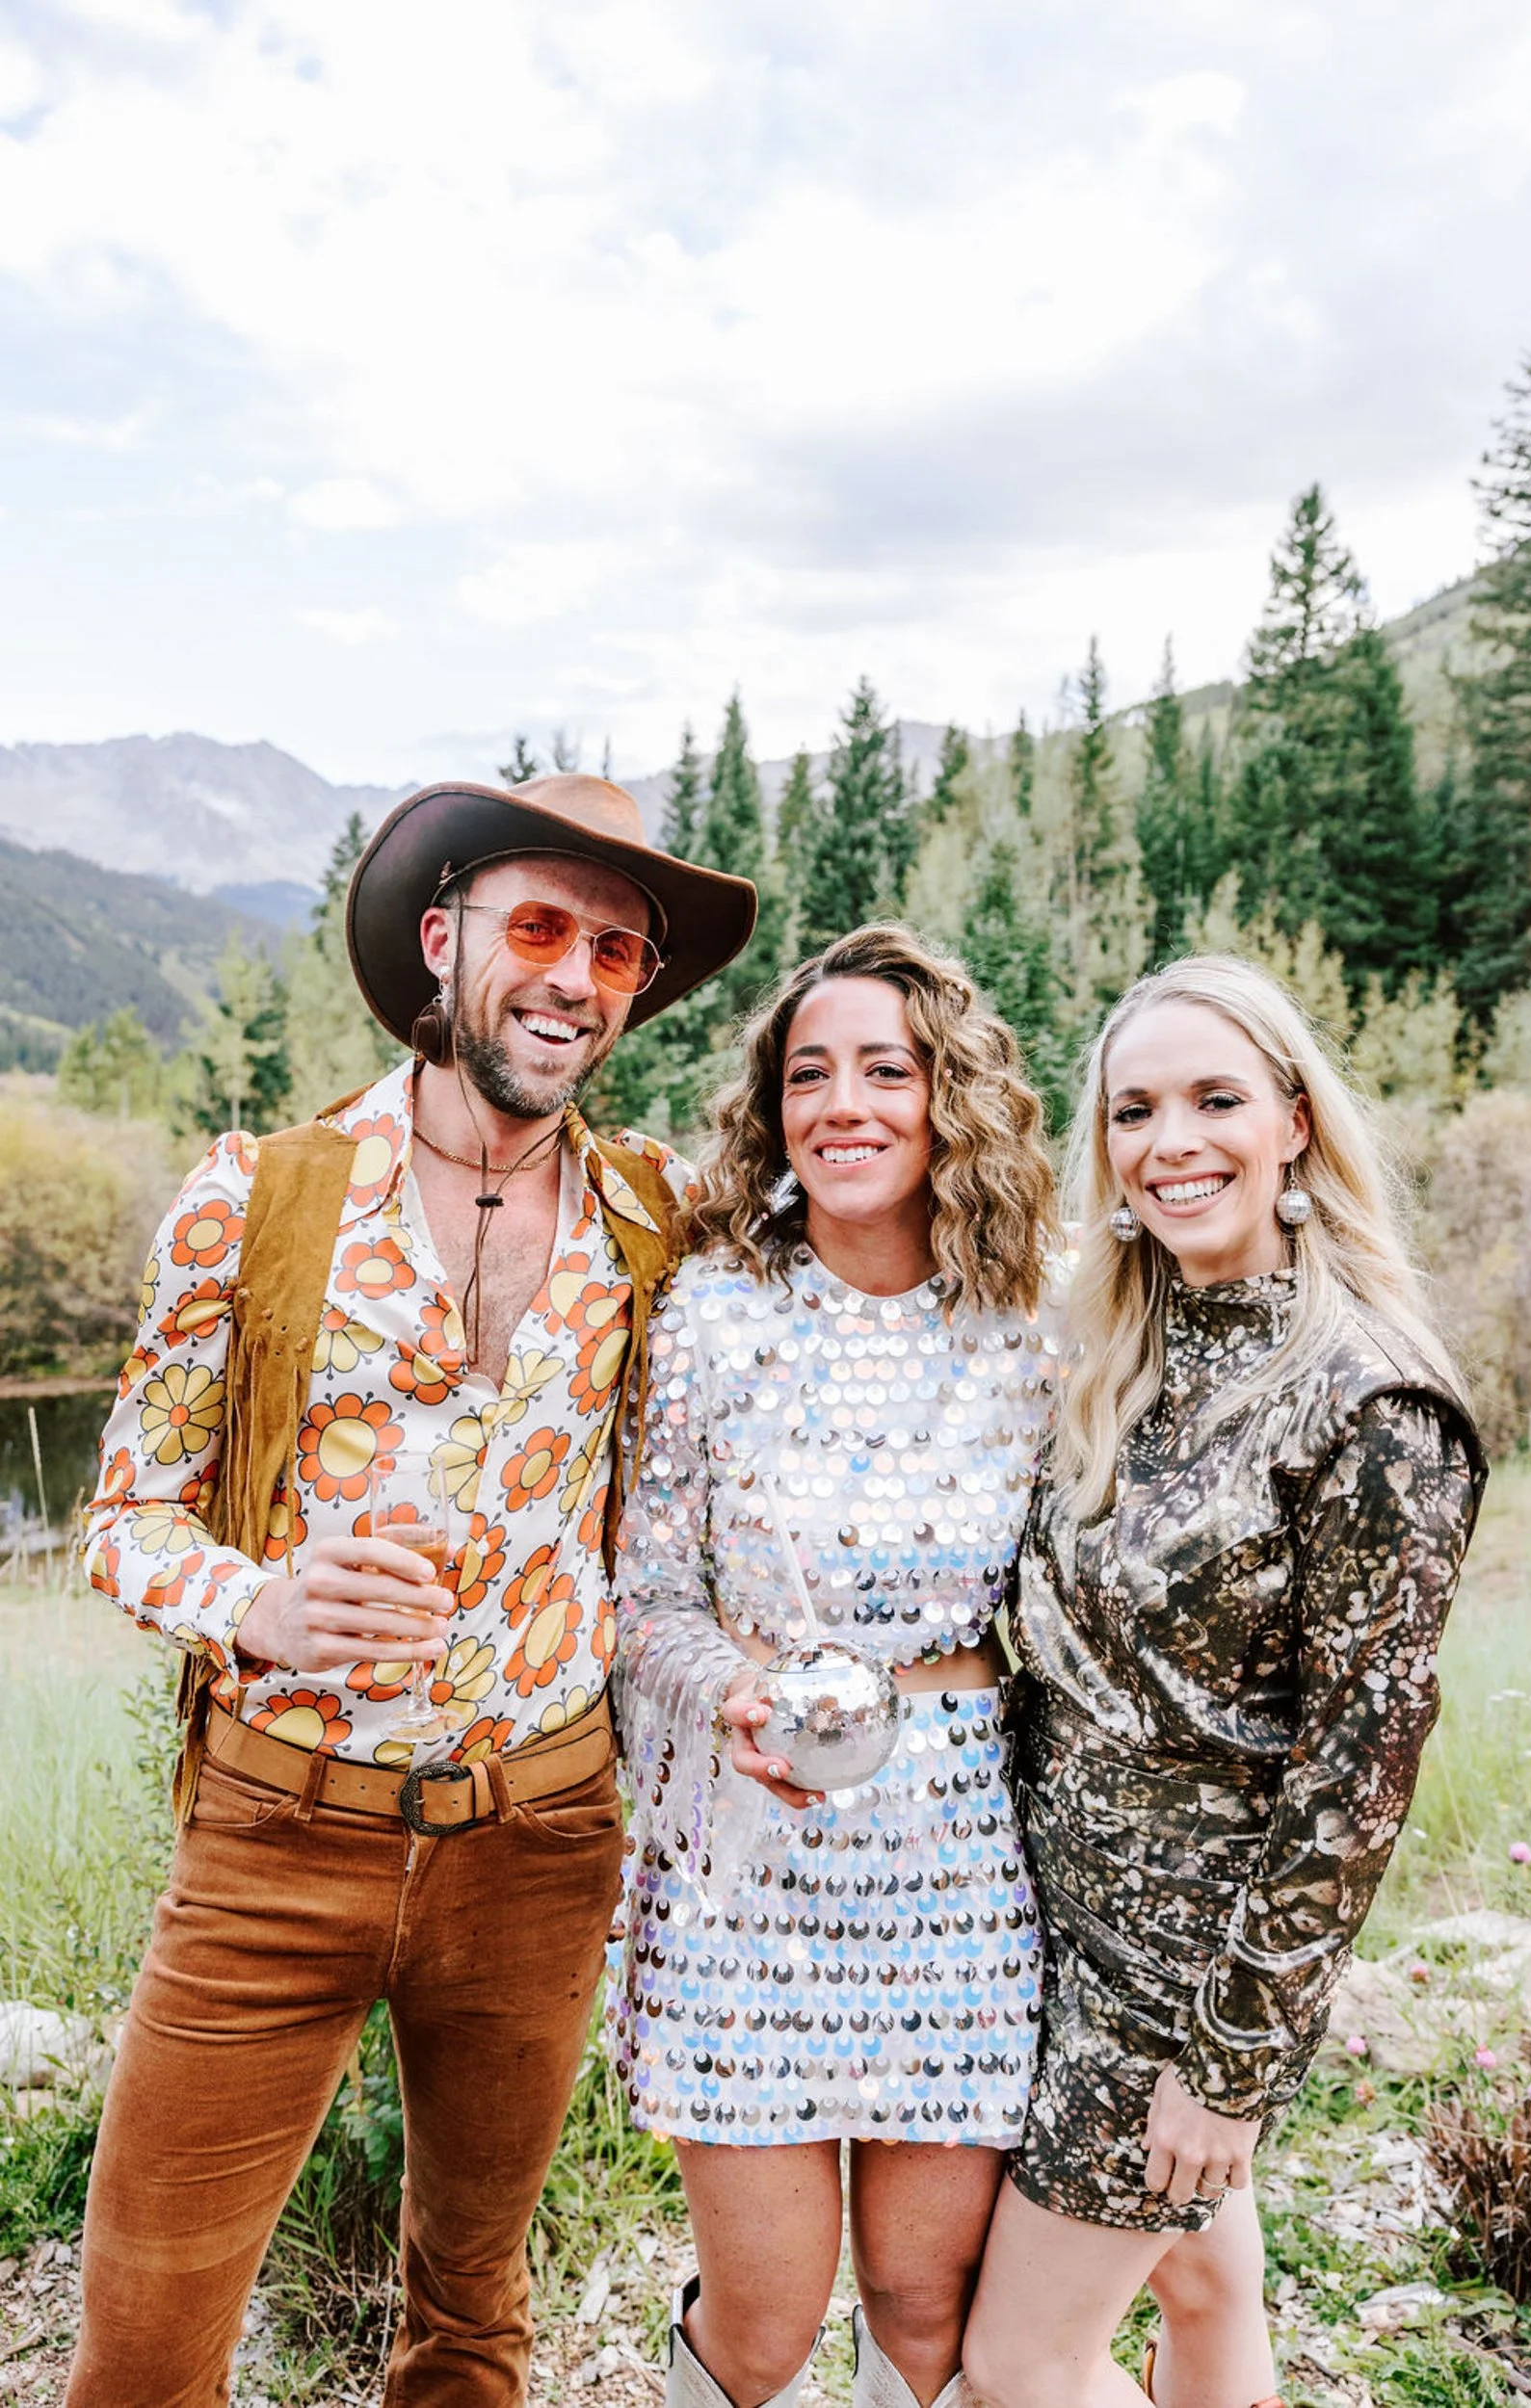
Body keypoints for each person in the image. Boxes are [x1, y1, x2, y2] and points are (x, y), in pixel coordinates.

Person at [66, 774, 755, 2408]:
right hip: (275, 1841)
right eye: (538, 926)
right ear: (441, 940)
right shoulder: (259, 1195)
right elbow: (125, 1519)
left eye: (616, 949)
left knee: (470, 2323)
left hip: (540, 1840)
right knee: (147, 2348)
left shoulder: (661, 1215)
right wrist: (259, 1607)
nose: (575, 978)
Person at [962, 954, 1486, 2408]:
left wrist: (1231, 2055)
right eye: (1136, 1110)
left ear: (1296, 1121)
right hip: (1056, 1922)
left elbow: (1356, 1778)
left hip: (1190, 1975)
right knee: (1200, 2281)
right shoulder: (1126, 1349)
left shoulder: (1375, 1405)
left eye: (1215, 1100)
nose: (1170, 1143)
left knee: (1017, 2360)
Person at [608, 925, 1067, 2408]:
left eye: (888, 1068)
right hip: (751, 1865)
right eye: (811, 1074)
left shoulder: (1039, 1321)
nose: (845, 1104)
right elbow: (648, 1593)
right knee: (766, 2325)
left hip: (958, 1865)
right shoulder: (715, 1311)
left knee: (923, 2307)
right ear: (774, 1107)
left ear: (952, 1097)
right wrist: (727, 1693)